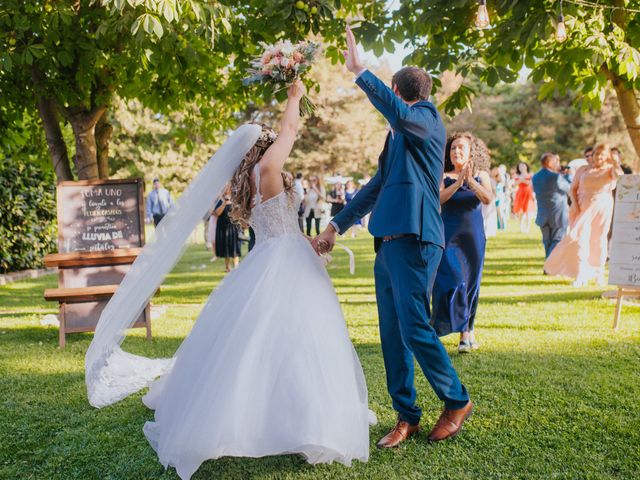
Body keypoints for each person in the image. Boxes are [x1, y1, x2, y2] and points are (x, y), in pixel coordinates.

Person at [122, 85, 372, 479]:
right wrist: (295, 94)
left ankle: (281, 412)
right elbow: (290, 131)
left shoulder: (249, 181)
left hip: (277, 254)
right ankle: (303, 420)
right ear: (263, 149)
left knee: (268, 340)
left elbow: (279, 224)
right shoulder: (267, 170)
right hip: (285, 261)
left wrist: (310, 241)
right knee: (301, 338)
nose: (279, 145)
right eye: (271, 143)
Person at [313, 25, 473, 449]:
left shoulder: (426, 119)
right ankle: (407, 416)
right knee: (392, 332)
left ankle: (456, 400)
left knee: (416, 326)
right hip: (387, 242)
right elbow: (374, 187)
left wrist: (359, 70)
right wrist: (334, 226)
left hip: (419, 239)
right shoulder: (398, 135)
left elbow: (399, 115)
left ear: (398, 93)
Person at [431, 132, 494, 353]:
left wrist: (470, 182)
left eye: (461, 148)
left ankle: (466, 332)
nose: (456, 151)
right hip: (448, 236)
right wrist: (458, 183)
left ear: (471, 152)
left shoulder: (481, 174)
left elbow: (488, 198)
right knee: (452, 279)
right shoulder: (444, 175)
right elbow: (437, 199)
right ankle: (445, 325)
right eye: (453, 148)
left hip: (473, 238)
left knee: (471, 284)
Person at [544, 143, 623, 286]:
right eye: (596, 154)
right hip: (583, 206)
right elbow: (573, 189)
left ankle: (599, 272)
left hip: (602, 206)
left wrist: (616, 164)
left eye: (601, 154)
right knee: (580, 238)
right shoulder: (583, 169)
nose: (598, 157)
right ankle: (581, 274)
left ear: (607, 156)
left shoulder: (610, 170)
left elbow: (620, 178)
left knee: (598, 239)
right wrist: (574, 204)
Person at [531, 153, 572, 260]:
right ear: (549, 163)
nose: (558, 164)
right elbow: (569, 188)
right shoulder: (556, 177)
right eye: (556, 162)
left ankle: (548, 263)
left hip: (542, 214)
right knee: (557, 239)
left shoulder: (535, 177)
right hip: (557, 213)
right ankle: (549, 265)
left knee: (547, 241)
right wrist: (568, 176)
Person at [214, 185, 242, 272]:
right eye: (225, 189)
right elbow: (217, 213)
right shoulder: (219, 201)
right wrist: (224, 204)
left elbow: (238, 213)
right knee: (225, 246)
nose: (226, 190)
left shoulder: (235, 199)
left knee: (234, 245)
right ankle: (227, 267)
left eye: (228, 189)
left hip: (233, 226)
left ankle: (236, 266)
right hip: (222, 226)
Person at [512, 162, 535, 233]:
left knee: (528, 211)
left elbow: (530, 183)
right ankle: (521, 228)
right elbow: (514, 184)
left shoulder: (530, 174)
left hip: (528, 193)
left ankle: (527, 228)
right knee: (520, 211)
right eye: (520, 166)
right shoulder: (516, 175)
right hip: (520, 193)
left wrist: (522, 180)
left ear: (526, 167)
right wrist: (521, 180)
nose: (521, 167)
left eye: (523, 166)